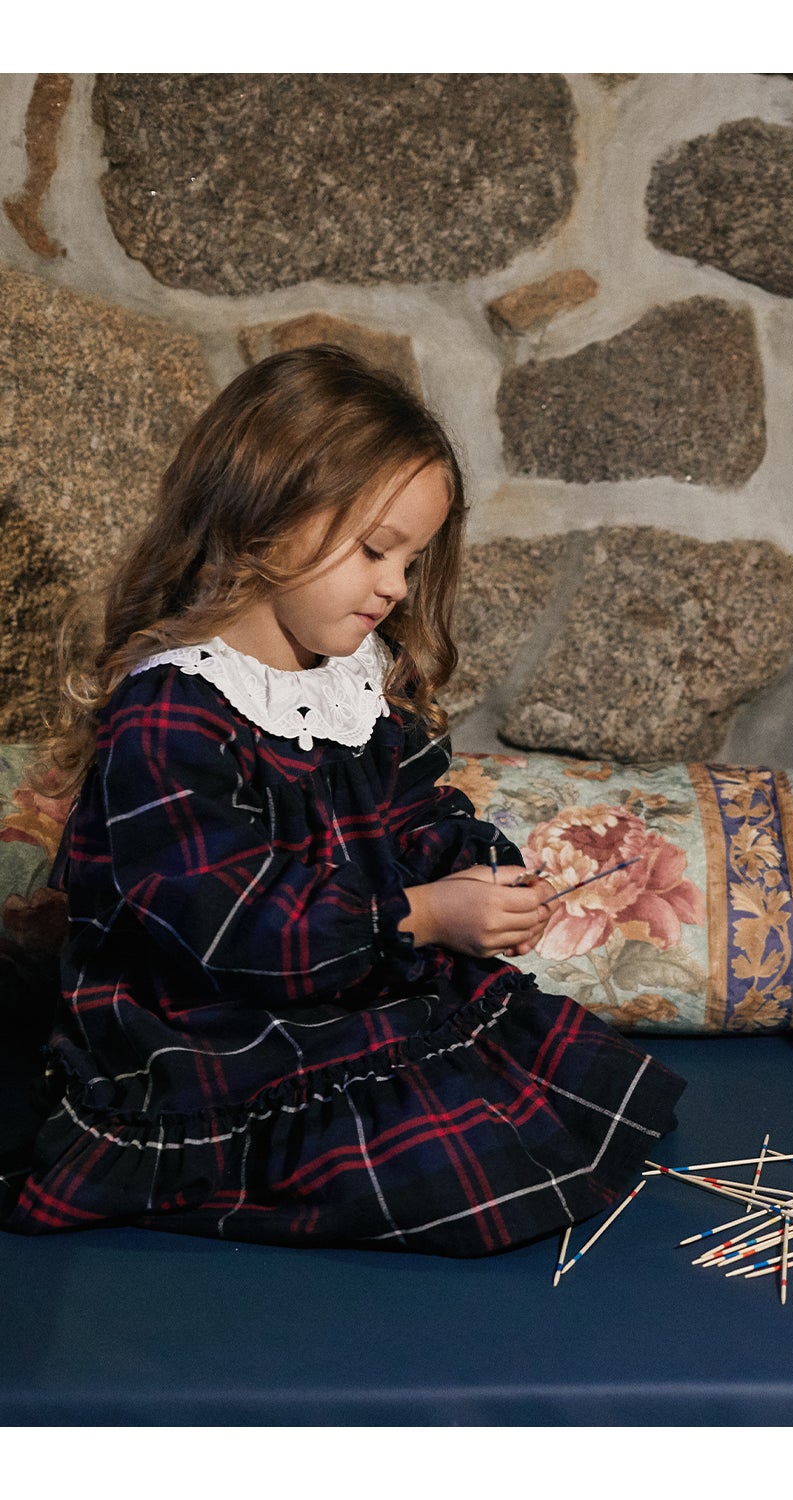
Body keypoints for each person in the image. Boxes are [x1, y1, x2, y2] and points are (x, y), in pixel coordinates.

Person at [0, 345, 684, 1257]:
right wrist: (423, 917)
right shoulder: (173, 712)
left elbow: (412, 811)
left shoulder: (345, 683)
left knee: (581, 1092)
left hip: (339, 989)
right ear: (262, 518)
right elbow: (231, 923)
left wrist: (475, 872)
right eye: (375, 550)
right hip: (216, 1037)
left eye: (412, 557)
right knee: (463, 1179)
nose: (396, 585)